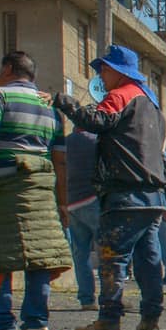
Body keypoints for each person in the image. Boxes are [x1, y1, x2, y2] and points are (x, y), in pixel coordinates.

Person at [52, 45, 166, 330]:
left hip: (126, 193)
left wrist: (63, 102)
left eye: (103, 69)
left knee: (112, 255)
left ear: (119, 71)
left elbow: (97, 122)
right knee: (148, 259)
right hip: (153, 195)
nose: (100, 75)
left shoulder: (122, 94)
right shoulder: (152, 104)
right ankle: (150, 320)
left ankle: (108, 320)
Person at [0, 51, 72, 330]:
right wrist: (63, 203)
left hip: (4, 187)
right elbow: (60, 160)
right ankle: (36, 326)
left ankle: (1, 326)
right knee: (40, 255)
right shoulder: (50, 106)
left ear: (9, 69)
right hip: (41, 187)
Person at [58, 127, 100, 310]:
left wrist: (62, 203)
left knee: (80, 253)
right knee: (107, 252)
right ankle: (111, 297)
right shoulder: (97, 141)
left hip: (72, 202)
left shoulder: (65, 142)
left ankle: (86, 299)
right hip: (93, 200)